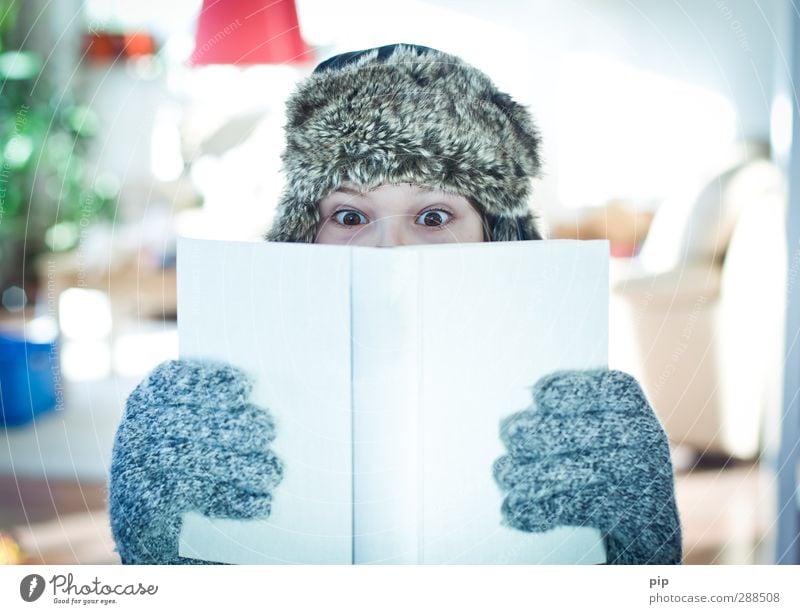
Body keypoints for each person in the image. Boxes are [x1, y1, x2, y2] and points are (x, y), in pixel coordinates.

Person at [109, 43, 682, 565]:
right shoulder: (216, 397)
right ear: (304, 235)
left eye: (433, 216)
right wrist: (155, 526)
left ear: (496, 237)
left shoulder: (582, 413)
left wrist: (636, 536)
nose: (389, 249)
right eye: (350, 216)